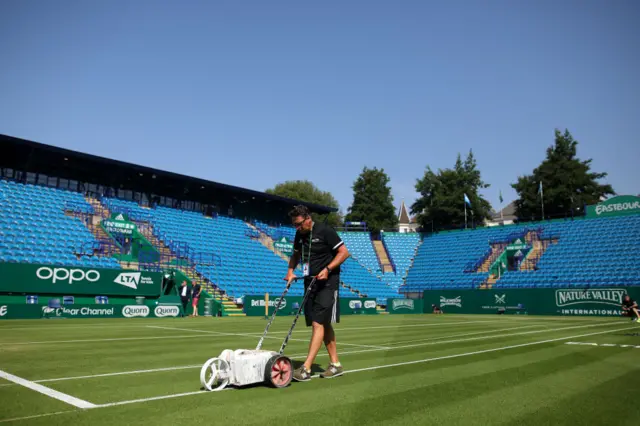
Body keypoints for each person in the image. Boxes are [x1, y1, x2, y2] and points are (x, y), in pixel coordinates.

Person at [284, 205, 350, 381]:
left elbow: (344, 253)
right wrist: (290, 271)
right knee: (324, 324)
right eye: (294, 225)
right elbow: (296, 255)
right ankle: (335, 364)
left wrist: (328, 269)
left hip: (328, 283)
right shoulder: (300, 234)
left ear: (308, 219)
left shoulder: (325, 230)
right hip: (310, 282)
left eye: (299, 224)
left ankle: (306, 368)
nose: (297, 228)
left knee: (317, 324)